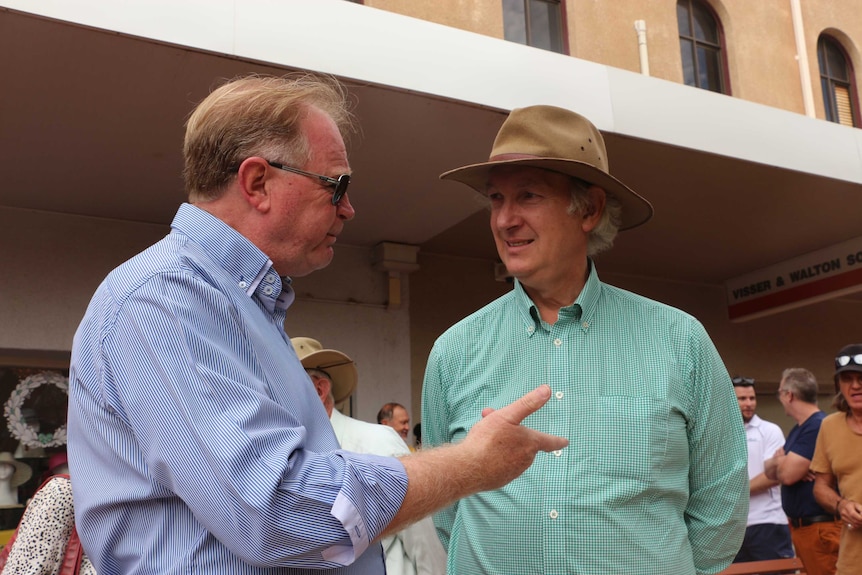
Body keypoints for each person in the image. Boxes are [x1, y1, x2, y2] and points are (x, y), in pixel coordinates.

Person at [65, 74, 569, 575]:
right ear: (258, 182)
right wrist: (471, 464)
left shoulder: (225, 302)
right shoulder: (161, 300)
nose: (349, 209)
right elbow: (280, 514)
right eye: (336, 185)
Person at [422, 104, 748, 575]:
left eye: (528, 196)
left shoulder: (680, 340)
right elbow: (448, 504)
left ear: (589, 209)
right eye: (496, 198)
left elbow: (722, 497)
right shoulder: (454, 350)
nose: (504, 219)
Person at [291, 336, 446, 575]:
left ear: (318, 389)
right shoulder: (290, 455)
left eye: (280, 384)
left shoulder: (376, 441)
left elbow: (422, 537)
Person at [764, 368, 840, 575]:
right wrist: (782, 462)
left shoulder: (816, 426)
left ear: (789, 395)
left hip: (821, 529)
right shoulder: (799, 428)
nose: (780, 398)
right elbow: (770, 470)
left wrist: (783, 463)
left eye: (780, 392)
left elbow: (787, 476)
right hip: (804, 530)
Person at [732, 376, 794, 562]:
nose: (749, 403)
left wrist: (734, 492)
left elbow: (774, 475)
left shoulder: (769, 430)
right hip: (733, 527)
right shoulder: (720, 434)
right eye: (742, 399)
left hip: (768, 522)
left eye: (752, 398)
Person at [811, 343, 862, 574]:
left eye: (861, 378)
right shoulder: (829, 426)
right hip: (852, 562)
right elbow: (821, 487)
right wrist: (842, 505)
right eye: (847, 379)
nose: (855, 386)